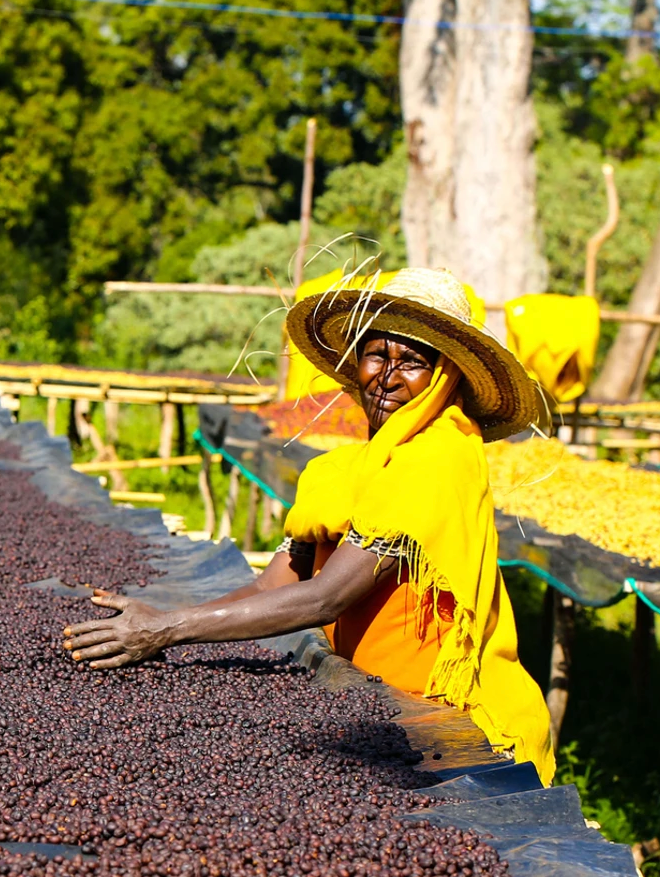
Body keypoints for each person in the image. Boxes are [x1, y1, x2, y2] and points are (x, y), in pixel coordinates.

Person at [61, 267, 555, 783]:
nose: (387, 377)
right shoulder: (343, 472)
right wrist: (162, 619)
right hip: (382, 709)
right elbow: (272, 585)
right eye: (376, 355)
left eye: (412, 362)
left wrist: (167, 630)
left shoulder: (439, 461)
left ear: (445, 376)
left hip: (460, 729)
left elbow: (326, 598)